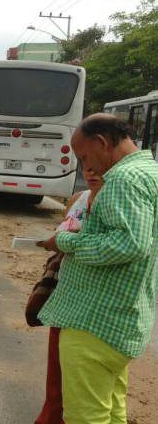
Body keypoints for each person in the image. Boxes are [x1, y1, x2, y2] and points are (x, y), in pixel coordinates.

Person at [37, 114, 158, 424]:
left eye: (84, 156)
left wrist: (66, 241)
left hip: (95, 322)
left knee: (86, 417)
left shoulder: (123, 178)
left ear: (102, 143)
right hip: (123, 320)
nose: (86, 166)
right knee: (113, 413)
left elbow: (128, 244)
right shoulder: (150, 171)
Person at [35, 167, 103, 424]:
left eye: (99, 166)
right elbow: (61, 236)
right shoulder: (78, 198)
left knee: (84, 391)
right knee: (57, 381)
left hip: (92, 309)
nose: (92, 172)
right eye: (86, 165)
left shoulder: (114, 200)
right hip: (65, 295)